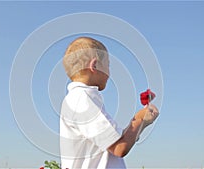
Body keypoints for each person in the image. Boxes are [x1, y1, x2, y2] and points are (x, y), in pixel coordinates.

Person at [60, 37, 159, 169]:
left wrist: (143, 123)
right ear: (94, 65)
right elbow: (119, 148)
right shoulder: (81, 100)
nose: (109, 72)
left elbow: (116, 142)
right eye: (107, 65)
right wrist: (140, 119)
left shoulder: (80, 98)